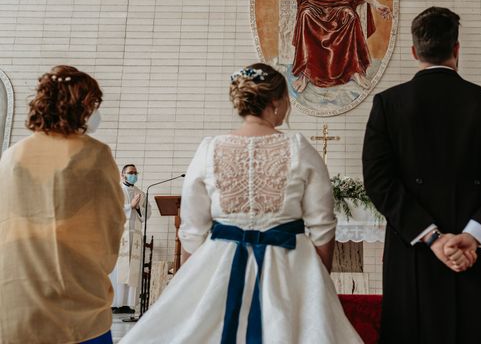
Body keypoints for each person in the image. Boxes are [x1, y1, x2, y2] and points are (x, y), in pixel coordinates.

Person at [120, 63, 362, 343]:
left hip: (219, 261)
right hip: (290, 263)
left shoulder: (209, 148)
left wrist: (189, 282)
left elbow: (192, 230)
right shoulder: (299, 147)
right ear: (276, 102)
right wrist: (317, 280)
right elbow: (322, 225)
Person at [362, 7, 481, 343]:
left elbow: (379, 182)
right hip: (478, 255)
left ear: (414, 52)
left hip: (416, 254)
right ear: (456, 49)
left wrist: (433, 238)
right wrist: (472, 236)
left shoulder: (388, 105)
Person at [0, 65, 124, 344]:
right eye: (93, 104)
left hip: (16, 293)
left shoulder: (11, 156)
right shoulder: (93, 154)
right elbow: (110, 223)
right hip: (73, 295)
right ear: (79, 105)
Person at [110, 163, 151, 314]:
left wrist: (138, 207)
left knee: (132, 269)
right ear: (122, 175)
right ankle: (115, 303)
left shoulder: (141, 193)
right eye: (130, 172)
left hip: (135, 236)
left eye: (135, 172)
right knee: (118, 269)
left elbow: (147, 213)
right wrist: (130, 207)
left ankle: (128, 304)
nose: (134, 175)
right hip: (120, 234)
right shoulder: (116, 191)